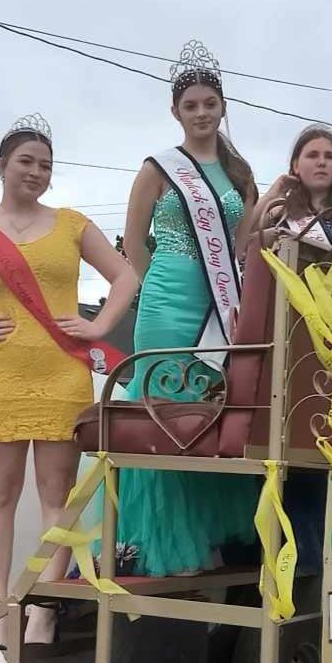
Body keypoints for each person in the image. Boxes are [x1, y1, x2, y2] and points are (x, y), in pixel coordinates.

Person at [0, 115, 138, 644]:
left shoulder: (71, 224)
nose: (36, 173)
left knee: (55, 493)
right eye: (26, 162)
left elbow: (126, 275)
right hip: (0, 376)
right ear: (1, 167)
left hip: (63, 374)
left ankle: (44, 606)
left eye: (45, 165)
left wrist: (99, 324)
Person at [114, 41, 260, 577]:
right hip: (166, 299)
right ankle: (163, 544)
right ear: (175, 112)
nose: (201, 113)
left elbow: (245, 245)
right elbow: (134, 243)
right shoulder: (158, 168)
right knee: (160, 408)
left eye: (210, 103)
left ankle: (203, 536)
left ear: (223, 107)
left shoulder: (239, 173)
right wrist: (157, 284)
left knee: (204, 406)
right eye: (191, 105)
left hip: (220, 301)